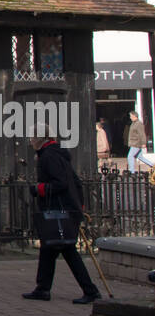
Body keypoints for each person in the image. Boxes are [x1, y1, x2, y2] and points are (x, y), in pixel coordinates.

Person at [22, 126, 100, 304]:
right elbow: (75, 182)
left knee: (67, 250)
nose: (30, 141)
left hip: (58, 210)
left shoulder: (49, 156)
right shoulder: (55, 154)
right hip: (64, 208)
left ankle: (90, 290)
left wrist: (38, 189)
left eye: (32, 137)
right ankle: (43, 288)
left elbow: (61, 183)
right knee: (49, 249)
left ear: (40, 138)